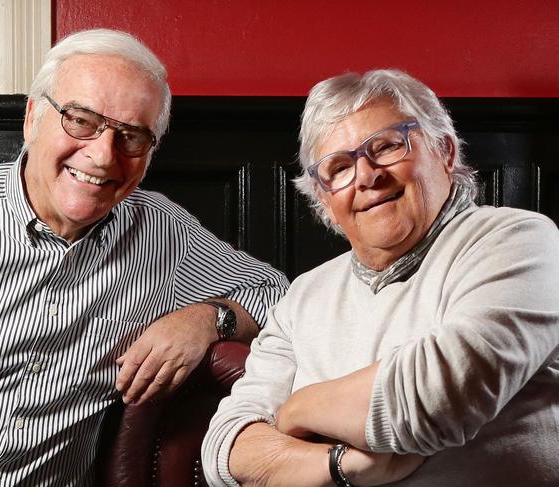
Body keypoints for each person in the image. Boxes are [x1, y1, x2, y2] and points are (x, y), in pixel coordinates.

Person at [0, 29, 288, 485]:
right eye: (81, 120)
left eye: (131, 136)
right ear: (32, 117)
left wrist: (208, 319)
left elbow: (278, 295)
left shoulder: (161, 232)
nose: (104, 156)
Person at [202, 69, 559, 486]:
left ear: (444, 151)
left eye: (387, 146)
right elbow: (226, 450)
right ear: (324, 199)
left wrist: (298, 408)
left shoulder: (520, 240)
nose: (368, 176)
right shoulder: (303, 296)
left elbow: (436, 398)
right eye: (338, 168)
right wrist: (344, 465)